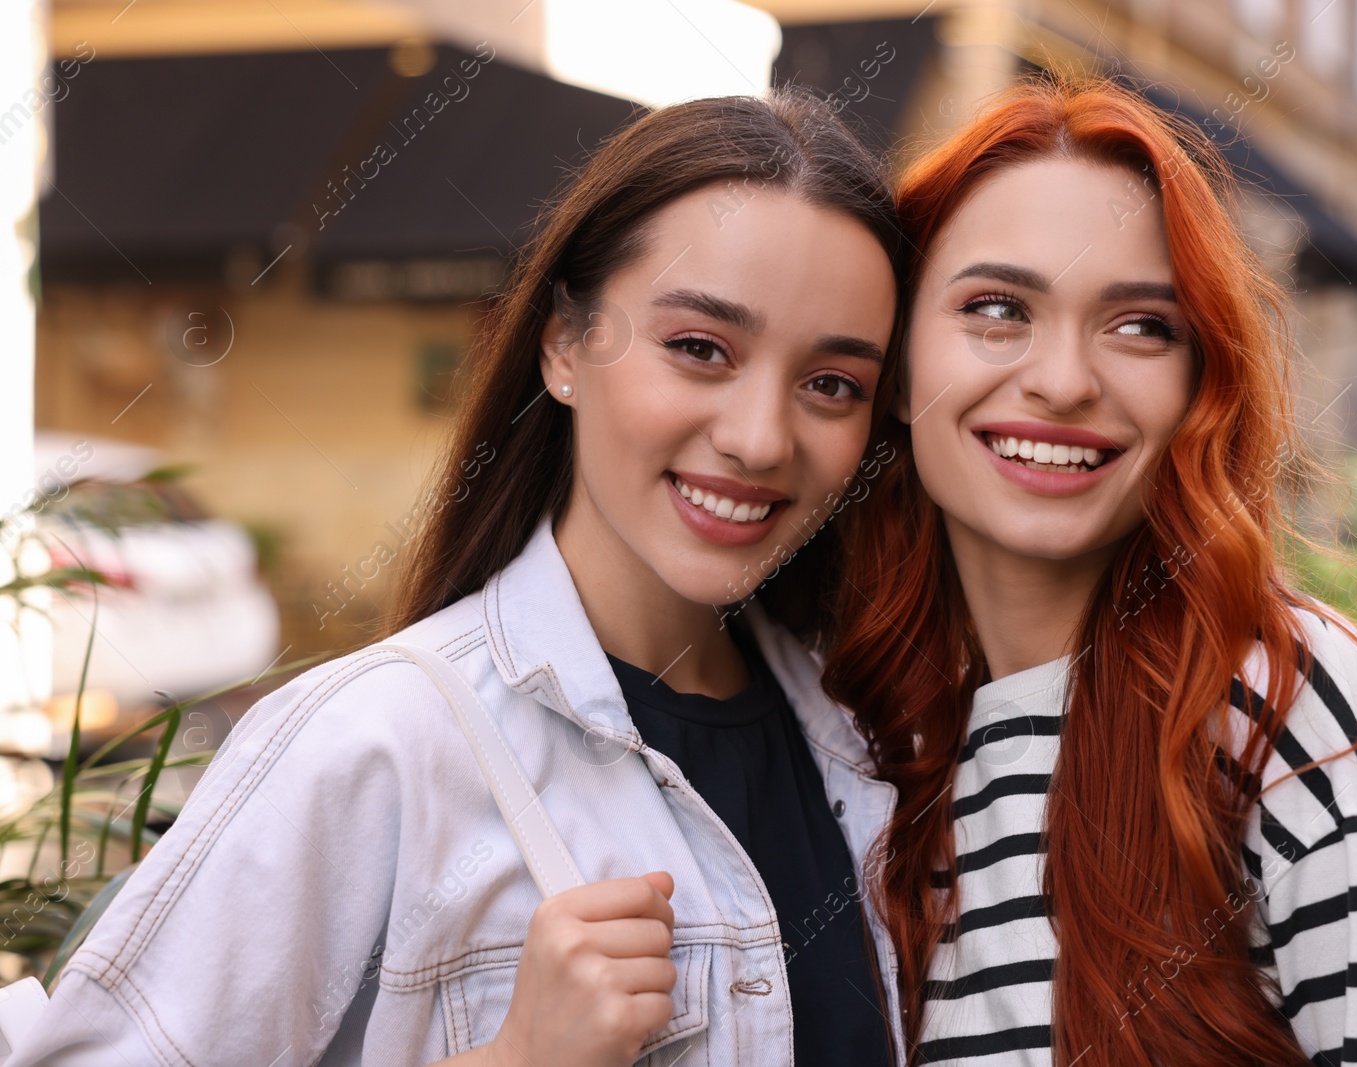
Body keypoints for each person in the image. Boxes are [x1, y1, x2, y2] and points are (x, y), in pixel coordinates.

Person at [14, 89, 906, 1067]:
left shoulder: (865, 746)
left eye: (832, 383)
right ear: (564, 345)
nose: (759, 437)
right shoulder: (376, 741)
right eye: (698, 348)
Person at [823, 75, 1357, 1067]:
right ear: (898, 355)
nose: (1061, 380)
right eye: (997, 308)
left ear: (1195, 381)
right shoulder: (854, 726)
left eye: (1140, 325)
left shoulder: (1288, 713)